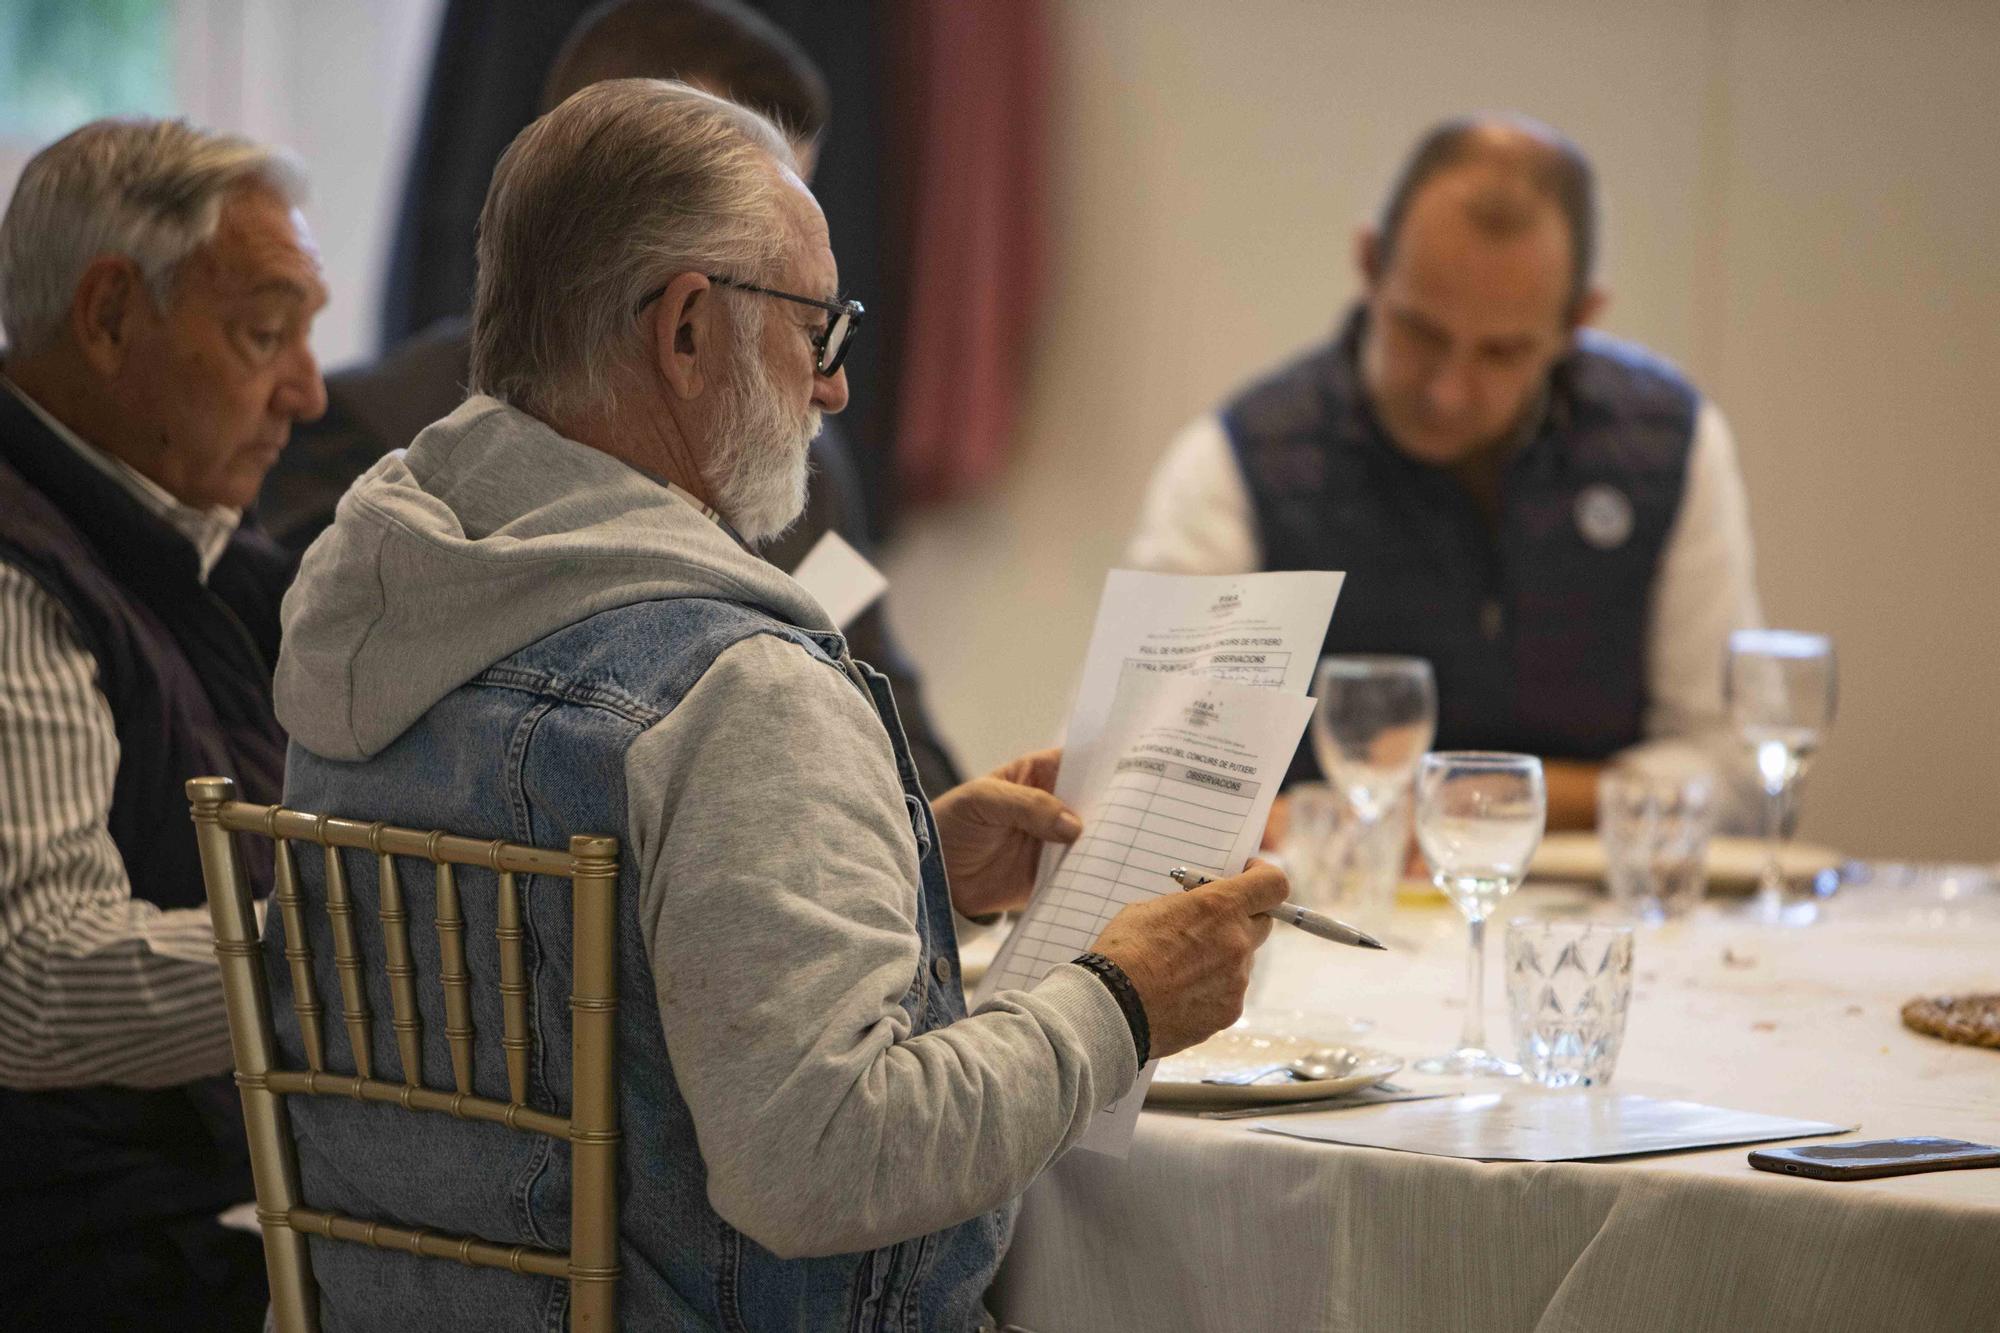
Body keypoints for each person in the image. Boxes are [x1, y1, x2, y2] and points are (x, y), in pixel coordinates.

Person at [272, 81, 1283, 1330]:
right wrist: (1118, 999)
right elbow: (825, 1159)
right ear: (688, 328)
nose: (834, 389)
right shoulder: (732, 690)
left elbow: (556, 968)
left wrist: (908, 861)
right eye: (822, 327)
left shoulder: (374, 603)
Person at [256, 0, 964, 797]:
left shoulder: (816, 461)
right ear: (586, 165)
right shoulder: (375, 440)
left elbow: (897, 726)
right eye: (743, 215)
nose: (825, 382)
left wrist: (939, 842)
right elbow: (300, 760)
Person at [1126, 115, 1761, 830]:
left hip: (1595, 924)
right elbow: (1146, 774)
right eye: (1420, 332)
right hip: (1315, 908)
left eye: (1502, 353)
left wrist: (1473, 799)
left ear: (1578, 321)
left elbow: (1735, 768)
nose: (1447, 391)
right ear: (1369, 264)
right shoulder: (1237, 461)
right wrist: (1316, 822)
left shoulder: (1671, 445)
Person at [0, 117, 328, 1328]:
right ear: (108, 316)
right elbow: (29, 973)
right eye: (264, 334)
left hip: (206, 1205)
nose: (308, 389)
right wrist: (366, 963)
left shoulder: (208, 546)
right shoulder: (17, 574)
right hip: (88, 1254)